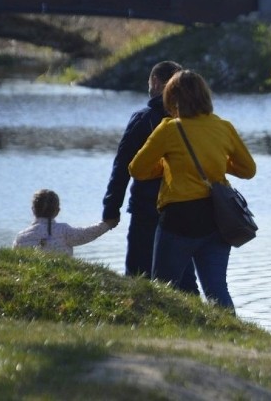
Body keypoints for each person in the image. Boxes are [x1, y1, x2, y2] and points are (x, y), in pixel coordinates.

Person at [128, 70, 256, 311]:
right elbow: (248, 169)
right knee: (216, 288)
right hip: (216, 218)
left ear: (172, 99)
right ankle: (231, 338)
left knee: (163, 288)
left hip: (178, 219)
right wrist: (216, 164)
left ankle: (165, 336)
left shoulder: (168, 129)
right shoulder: (223, 127)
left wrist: (167, 165)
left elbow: (137, 169)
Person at [101, 61, 198, 293]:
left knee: (138, 274)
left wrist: (111, 208)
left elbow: (122, 166)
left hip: (147, 208)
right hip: (184, 209)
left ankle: (137, 321)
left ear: (155, 83)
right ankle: (198, 322)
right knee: (184, 278)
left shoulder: (144, 119)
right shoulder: (194, 122)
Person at [14, 189, 117, 255]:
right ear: (57, 211)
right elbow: (88, 233)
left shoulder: (21, 237)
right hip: (60, 275)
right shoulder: (63, 231)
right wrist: (107, 224)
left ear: (33, 210)